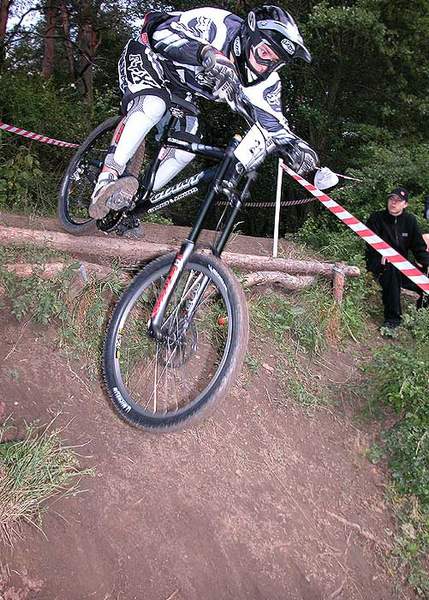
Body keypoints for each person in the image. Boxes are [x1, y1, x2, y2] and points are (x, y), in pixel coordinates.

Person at [88, 5, 320, 219]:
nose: (264, 66)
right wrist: (205, 52)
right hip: (148, 56)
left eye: (275, 62)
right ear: (249, 37)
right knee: (152, 105)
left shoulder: (266, 83)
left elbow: (274, 125)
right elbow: (157, 30)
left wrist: (302, 155)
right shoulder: (217, 25)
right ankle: (107, 178)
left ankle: (130, 204)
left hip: (180, 89)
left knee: (185, 148)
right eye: (264, 53)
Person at [365, 187, 429, 329]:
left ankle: (421, 317)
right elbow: (369, 244)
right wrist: (379, 256)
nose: (393, 203)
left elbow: (418, 248)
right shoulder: (376, 218)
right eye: (391, 199)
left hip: (403, 266)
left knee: (425, 278)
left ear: (405, 204)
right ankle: (392, 319)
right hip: (380, 264)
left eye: (398, 200)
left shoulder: (410, 221)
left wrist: (426, 264)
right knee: (392, 269)